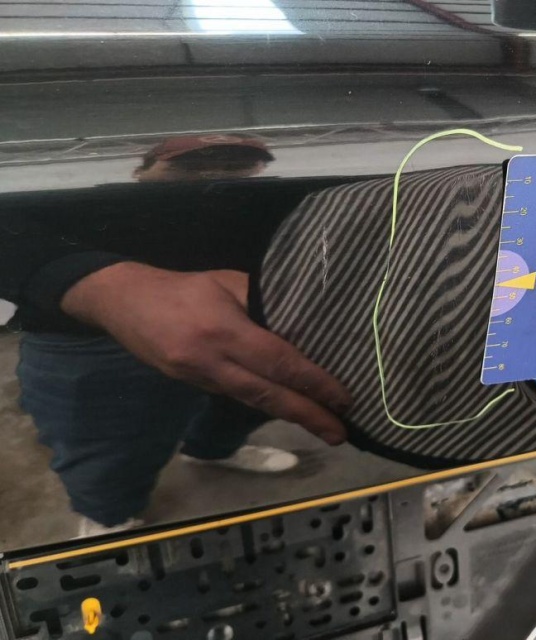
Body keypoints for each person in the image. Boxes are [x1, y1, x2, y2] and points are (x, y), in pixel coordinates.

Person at [6, 135, 351, 536]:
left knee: (245, 408)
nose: (214, 177)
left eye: (234, 167)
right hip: (87, 336)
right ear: (139, 170)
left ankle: (211, 452)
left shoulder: (271, 193)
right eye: (188, 167)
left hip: (257, 321)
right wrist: (94, 284)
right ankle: (110, 517)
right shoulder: (86, 189)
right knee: (105, 450)